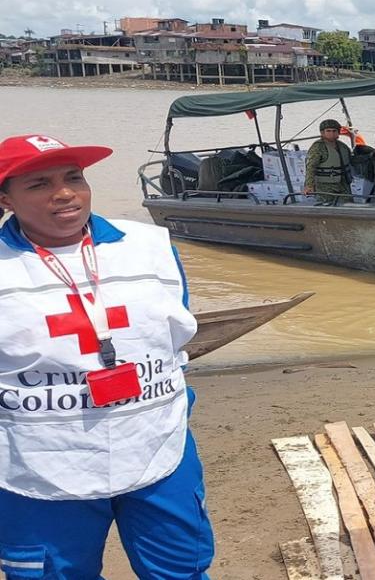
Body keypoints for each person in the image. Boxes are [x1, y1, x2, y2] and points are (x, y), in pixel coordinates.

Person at [0, 134, 214, 579]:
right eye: (39, 184)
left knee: (181, 571)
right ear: (5, 198)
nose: (64, 193)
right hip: (41, 470)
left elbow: (176, 337)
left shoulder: (148, 246)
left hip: (157, 450)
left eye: (74, 177)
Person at [303, 118, 352, 205]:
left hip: (343, 184)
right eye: (328, 131)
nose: (331, 134)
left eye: (334, 131)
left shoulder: (343, 147)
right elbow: (311, 167)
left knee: (348, 205)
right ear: (322, 133)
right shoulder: (318, 147)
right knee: (326, 206)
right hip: (324, 185)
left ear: (338, 132)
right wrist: (309, 185)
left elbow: (351, 161)